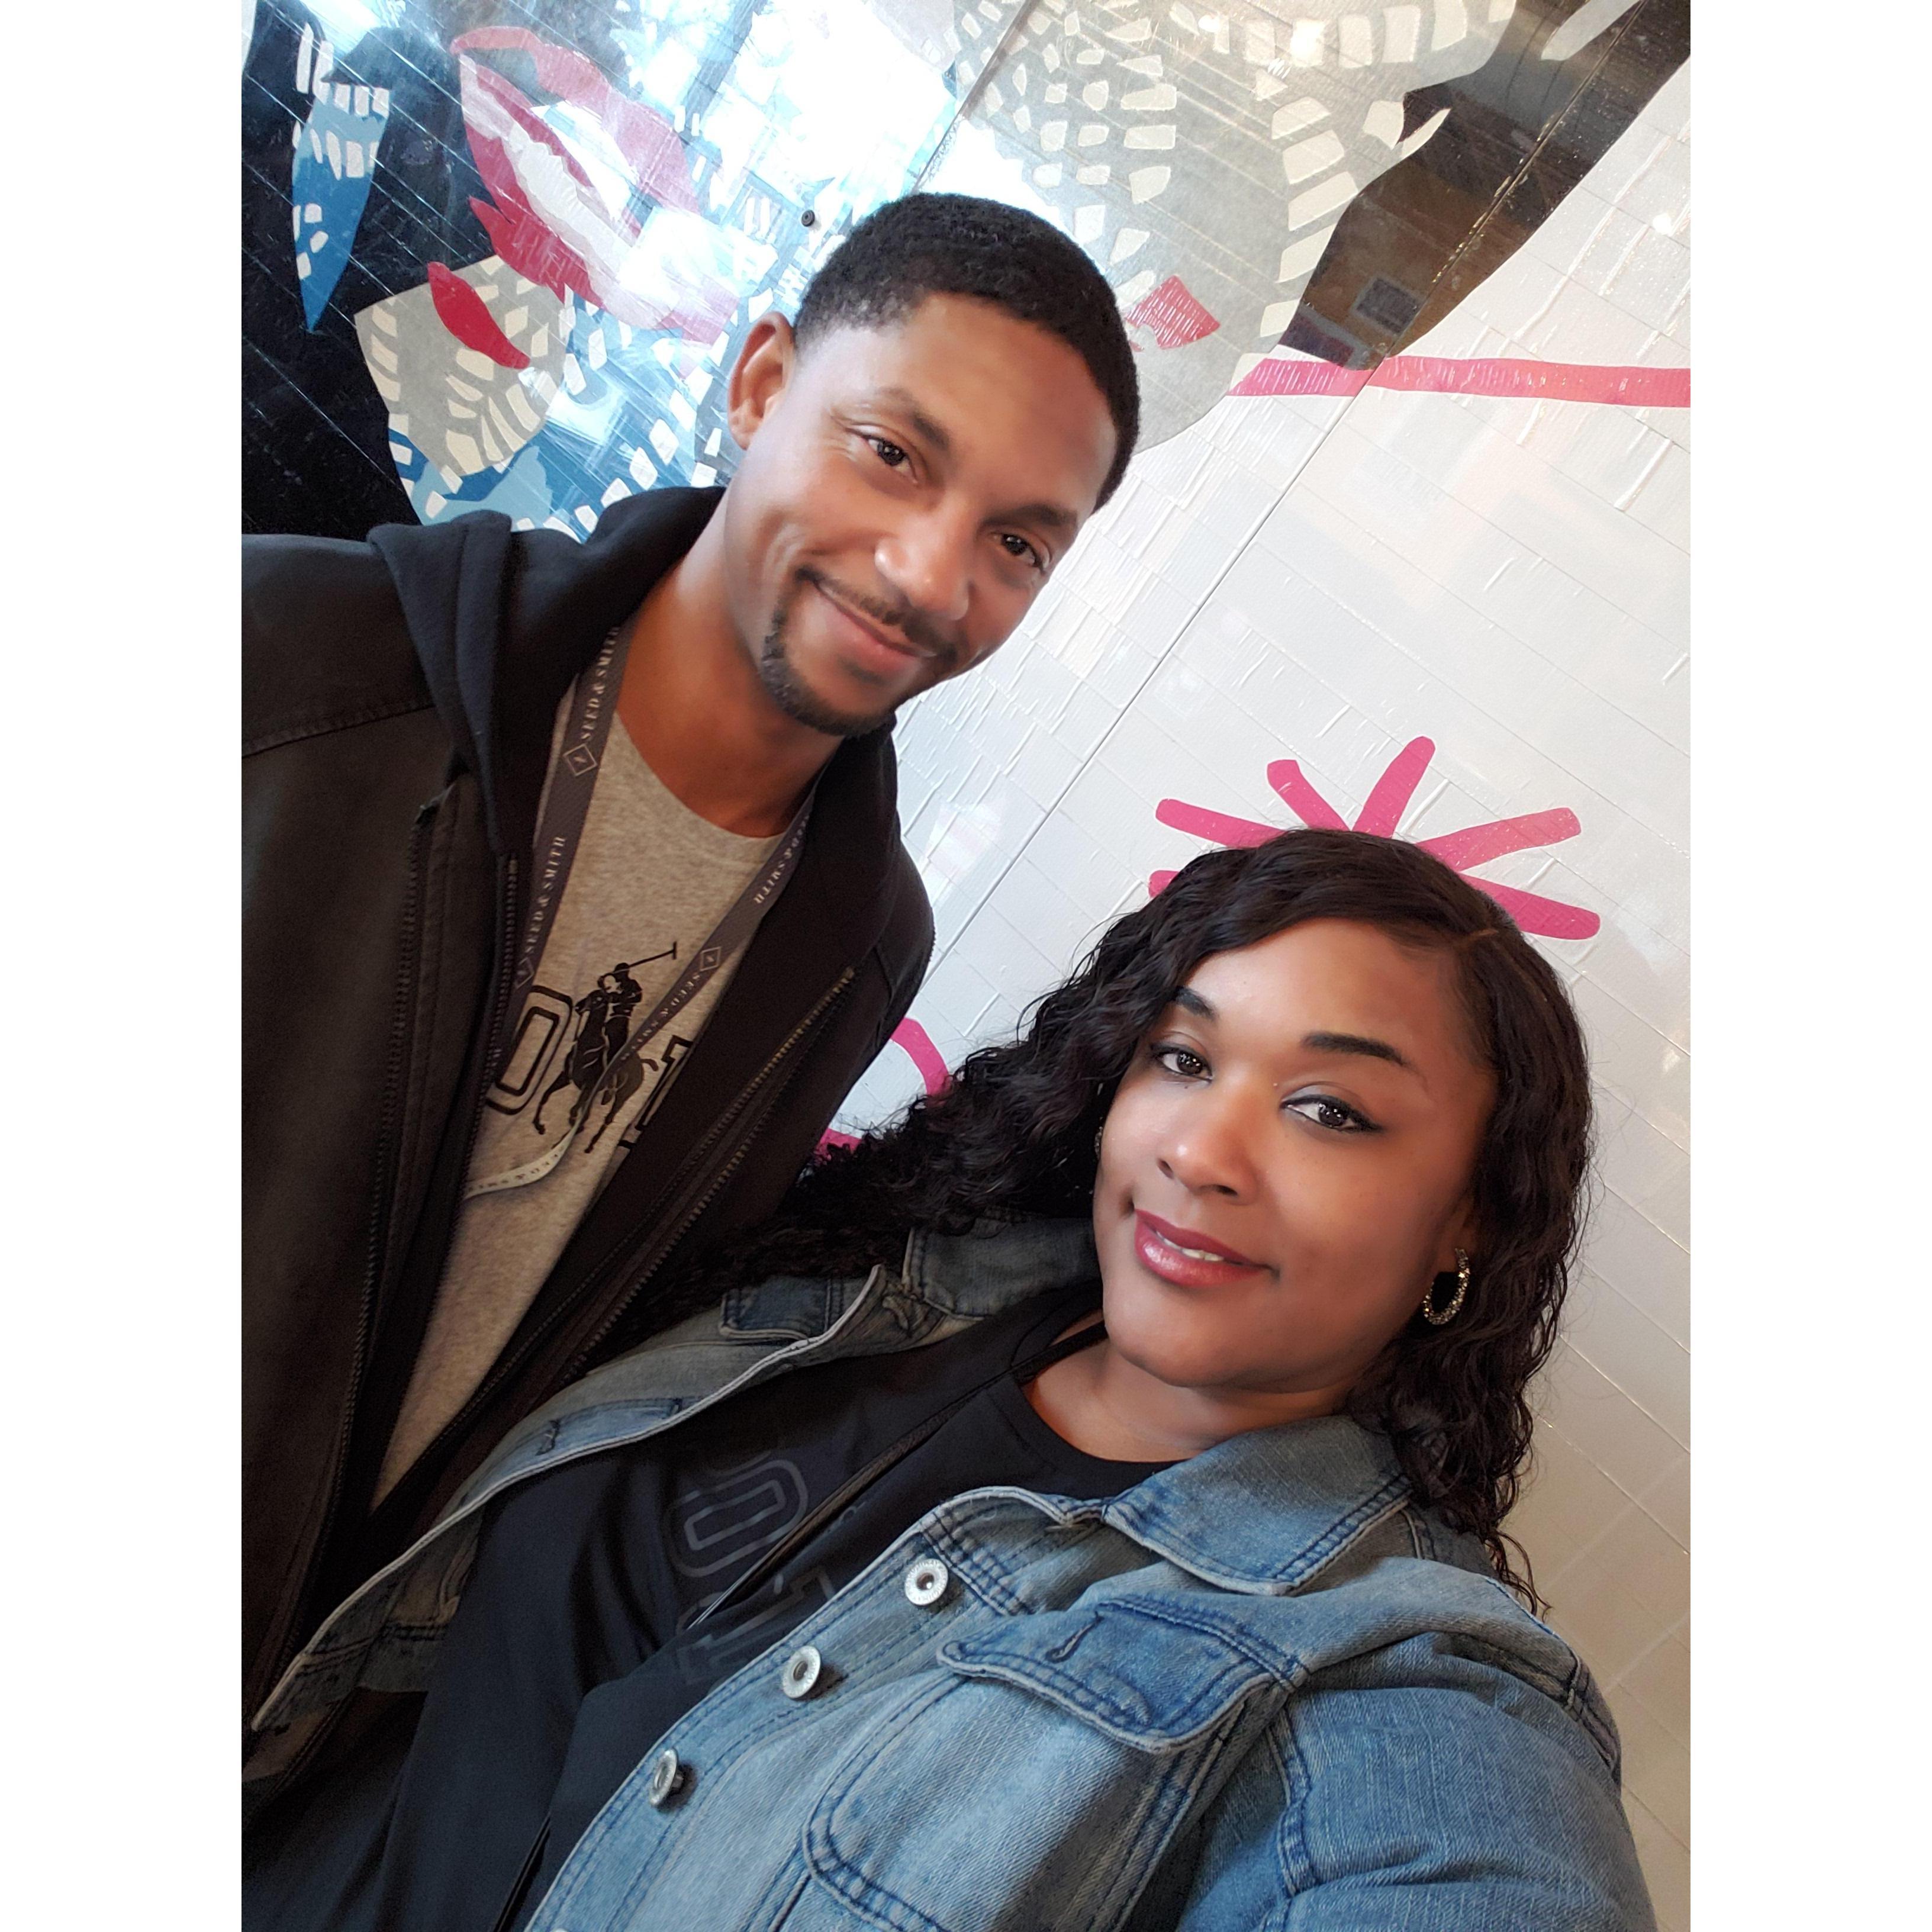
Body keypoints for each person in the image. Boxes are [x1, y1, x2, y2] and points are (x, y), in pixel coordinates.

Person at [244, 828, 1655, 1931]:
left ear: (1472, 1218)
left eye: (1328, 1109)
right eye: (1183, 1057)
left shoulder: (1391, 1677)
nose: (1199, 1151)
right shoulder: (901, 1283)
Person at [242, 192, 1140, 1732]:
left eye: (1016, 542)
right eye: (893, 452)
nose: (931, 575)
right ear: (762, 382)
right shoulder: (298, 659)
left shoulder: (860, 939)